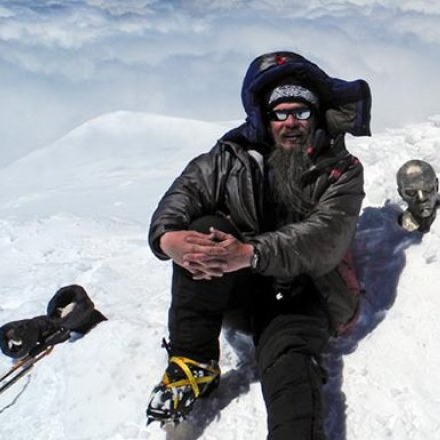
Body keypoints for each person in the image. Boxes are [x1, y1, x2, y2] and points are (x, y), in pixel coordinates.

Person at [145, 51, 371, 439]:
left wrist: (248, 253)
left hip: (304, 287)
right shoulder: (230, 157)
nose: (290, 124)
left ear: (316, 115)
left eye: (300, 112)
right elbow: (183, 195)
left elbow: (326, 238)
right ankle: (193, 361)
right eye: (280, 113)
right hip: (240, 284)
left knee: (288, 362)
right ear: (264, 119)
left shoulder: (342, 169)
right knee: (204, 230)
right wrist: (169, 240)